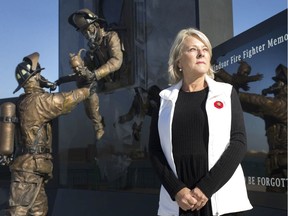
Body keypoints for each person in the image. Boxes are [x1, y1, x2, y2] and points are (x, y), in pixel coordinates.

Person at [149, 28, 253, 216]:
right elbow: (155, 150)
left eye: (205, 49)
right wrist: (177, 190)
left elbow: (238, 142)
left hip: (221, 197)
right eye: (192, 49)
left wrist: (206, 188)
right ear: (178, 61)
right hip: (179, 202)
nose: (201, 53)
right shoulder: (163, 99)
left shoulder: (226, 92)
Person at [6, 52, 95, 215]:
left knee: (39, 211)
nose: (41, 75)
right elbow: (65, 100)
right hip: (29, 170)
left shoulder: (24, 100)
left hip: (33, 170)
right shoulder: (38, 101)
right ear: (33, 77)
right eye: (38, 73)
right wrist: (87, 89)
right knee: (17, 212)